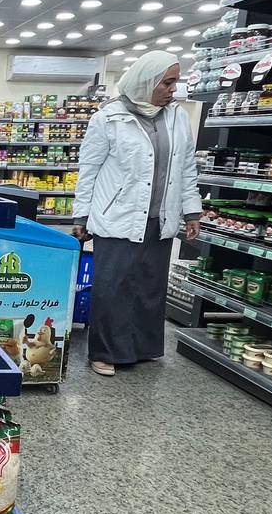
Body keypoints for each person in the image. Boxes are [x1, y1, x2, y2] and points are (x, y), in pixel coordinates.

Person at [71, 51, 201, 377]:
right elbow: (89, 170)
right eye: (168, 82)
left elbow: (186, 168)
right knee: (113, 287)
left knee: (149, 288)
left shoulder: (177, 117)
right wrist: (81, 217)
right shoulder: (108, 118)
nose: (174, 89)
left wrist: (192, 211)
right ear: (147, 81)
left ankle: (142, 348)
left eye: (175, 82)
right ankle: (105, 352)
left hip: (161, 217)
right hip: (117, 217)